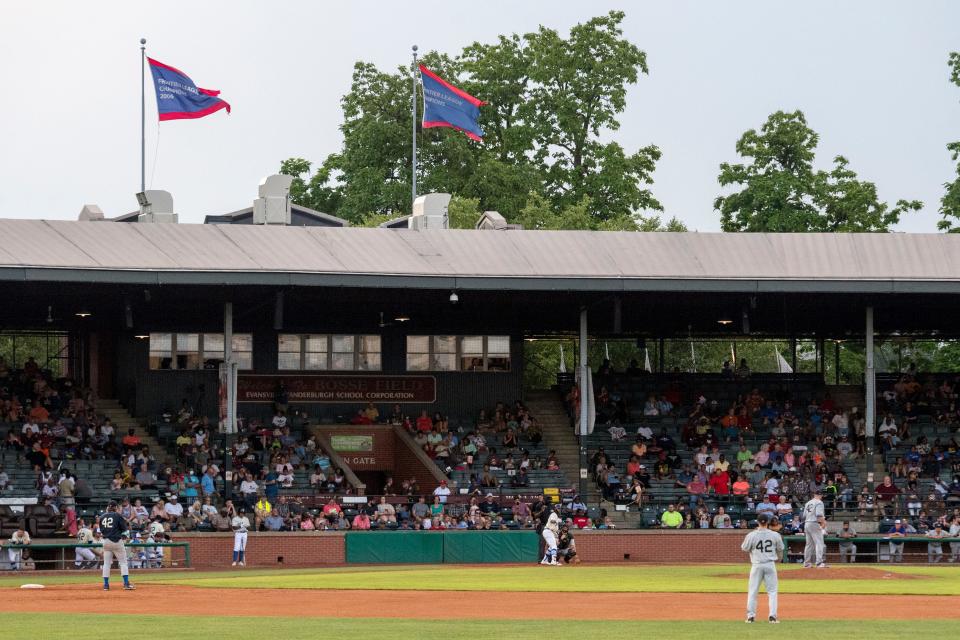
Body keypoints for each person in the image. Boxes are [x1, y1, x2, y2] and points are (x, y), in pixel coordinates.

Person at [741, 513, 783, 624]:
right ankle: (772, 617)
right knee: (772, 592)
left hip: (757, 565)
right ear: (768, 522)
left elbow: (744, 548)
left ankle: (750, 617)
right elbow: (780, 548)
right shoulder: (775, 535)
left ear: (758, 522)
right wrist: (777, 557)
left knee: (753, 591)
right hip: (770, 564)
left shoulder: (752, 535)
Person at [98, 501, 134, 590]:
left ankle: (106, 585)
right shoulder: (117, 515)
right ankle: (126, 584)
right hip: (116, 541)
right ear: (115, 507)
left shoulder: (102, 517)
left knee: (106, 564)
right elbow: (124, 529)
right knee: (123, 563)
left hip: (105, 541)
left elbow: (101, 531)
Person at [801, 489, 828, 568]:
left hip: (807, 523)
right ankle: (819, 563)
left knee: (809, 545)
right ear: (820, 495)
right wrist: (823, 524)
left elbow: (804, 516)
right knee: (819, 543)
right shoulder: (819, 502)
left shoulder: (808, 503)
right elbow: (819, 515)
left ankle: (807, 563)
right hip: (814, 523)